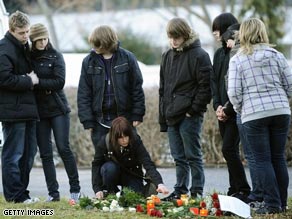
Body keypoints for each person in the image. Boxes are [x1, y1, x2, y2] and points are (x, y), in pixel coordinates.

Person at [228, 18, 292, 214]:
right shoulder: (277, 55)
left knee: (262, 160)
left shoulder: (238, 59)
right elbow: (290, 85)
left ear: (243, 34)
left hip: (254, 113)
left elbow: (234, 93)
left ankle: (272, 205)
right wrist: (281, 100)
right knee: (278, 158)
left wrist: (241, 108)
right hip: (280, 111)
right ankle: (282, 203)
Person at [159, 17, 212, 200]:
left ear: (185, 34)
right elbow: (163, 89)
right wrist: (163, 117)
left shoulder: (200, 55)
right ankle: (180, 190)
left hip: (190, 116)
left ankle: (196, 191)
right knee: (178, 157)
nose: (173, 41)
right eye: (171, 37)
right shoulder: (167, 56)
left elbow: (206, 87)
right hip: (172, 115)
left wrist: (193, 110)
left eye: (177, 37)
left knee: (193, 155)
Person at [29, 23, 81, 203]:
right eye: (39, 39)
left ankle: (76, 190)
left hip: (58, 108)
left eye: (45, 38)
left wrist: (36, 82)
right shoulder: (28, 57)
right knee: (45, 153)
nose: (43, 42)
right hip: (39, 110)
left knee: (63, 147)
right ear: (33, 40)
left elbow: (59, 82)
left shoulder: (56, 55)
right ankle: (54, 193)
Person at [77, 25, 145, 152]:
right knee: (103, 161)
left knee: (130, 158)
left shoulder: (128, 58)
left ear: (106, 43)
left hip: (124, 119)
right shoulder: (88, 61)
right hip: (99, 122)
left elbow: (136, 88)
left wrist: (137, 114)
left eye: (97, 44)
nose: (94, 47)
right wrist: (87, 120)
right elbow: (84, 92)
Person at [222, 23, 264, 208]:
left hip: (246, 111)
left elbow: (234, 90)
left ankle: (258, 194)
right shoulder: (273, 54)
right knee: (271, 157)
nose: (226, 43)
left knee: (254, 156)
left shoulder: (238, 56)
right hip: (272, 109)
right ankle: (273, 197)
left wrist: (231, 109)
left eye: (228, 39)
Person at [0, 11, 39, 203]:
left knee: (29, 154)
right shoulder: (3, 49)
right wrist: (28, 80)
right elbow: (4, 79)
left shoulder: (24, 47)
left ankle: (22, 194)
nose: (26, 36)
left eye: (27, 31)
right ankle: (14, 196)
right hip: (12, 111)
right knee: (13, 155)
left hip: (29, 109)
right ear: (11, 30)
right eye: (21, 33)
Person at [211, 12, 250, 201]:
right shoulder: (218, 54)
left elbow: (234, 84)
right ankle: (233, 188)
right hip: (222, 111)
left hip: (235, 109)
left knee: (228, 149)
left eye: (217, 30)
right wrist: (217, 106)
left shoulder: (239, 51)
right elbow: (215, 82)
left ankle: (243, 188)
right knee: (229, 151)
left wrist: (227, 108)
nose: (215, 34)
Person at [92, 116, 169, 199]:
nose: (124, 140)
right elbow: (96, 164)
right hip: (112, 172)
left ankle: (124, 195)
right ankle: (111, 192)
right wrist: (97, 189)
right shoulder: (105, 141)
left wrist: (159, 183)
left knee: (132, 198)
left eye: (126, 136)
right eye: (120, 138)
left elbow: (148, 163)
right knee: (108, 169)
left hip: (131, 174)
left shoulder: (135, 140)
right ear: (114, 137)